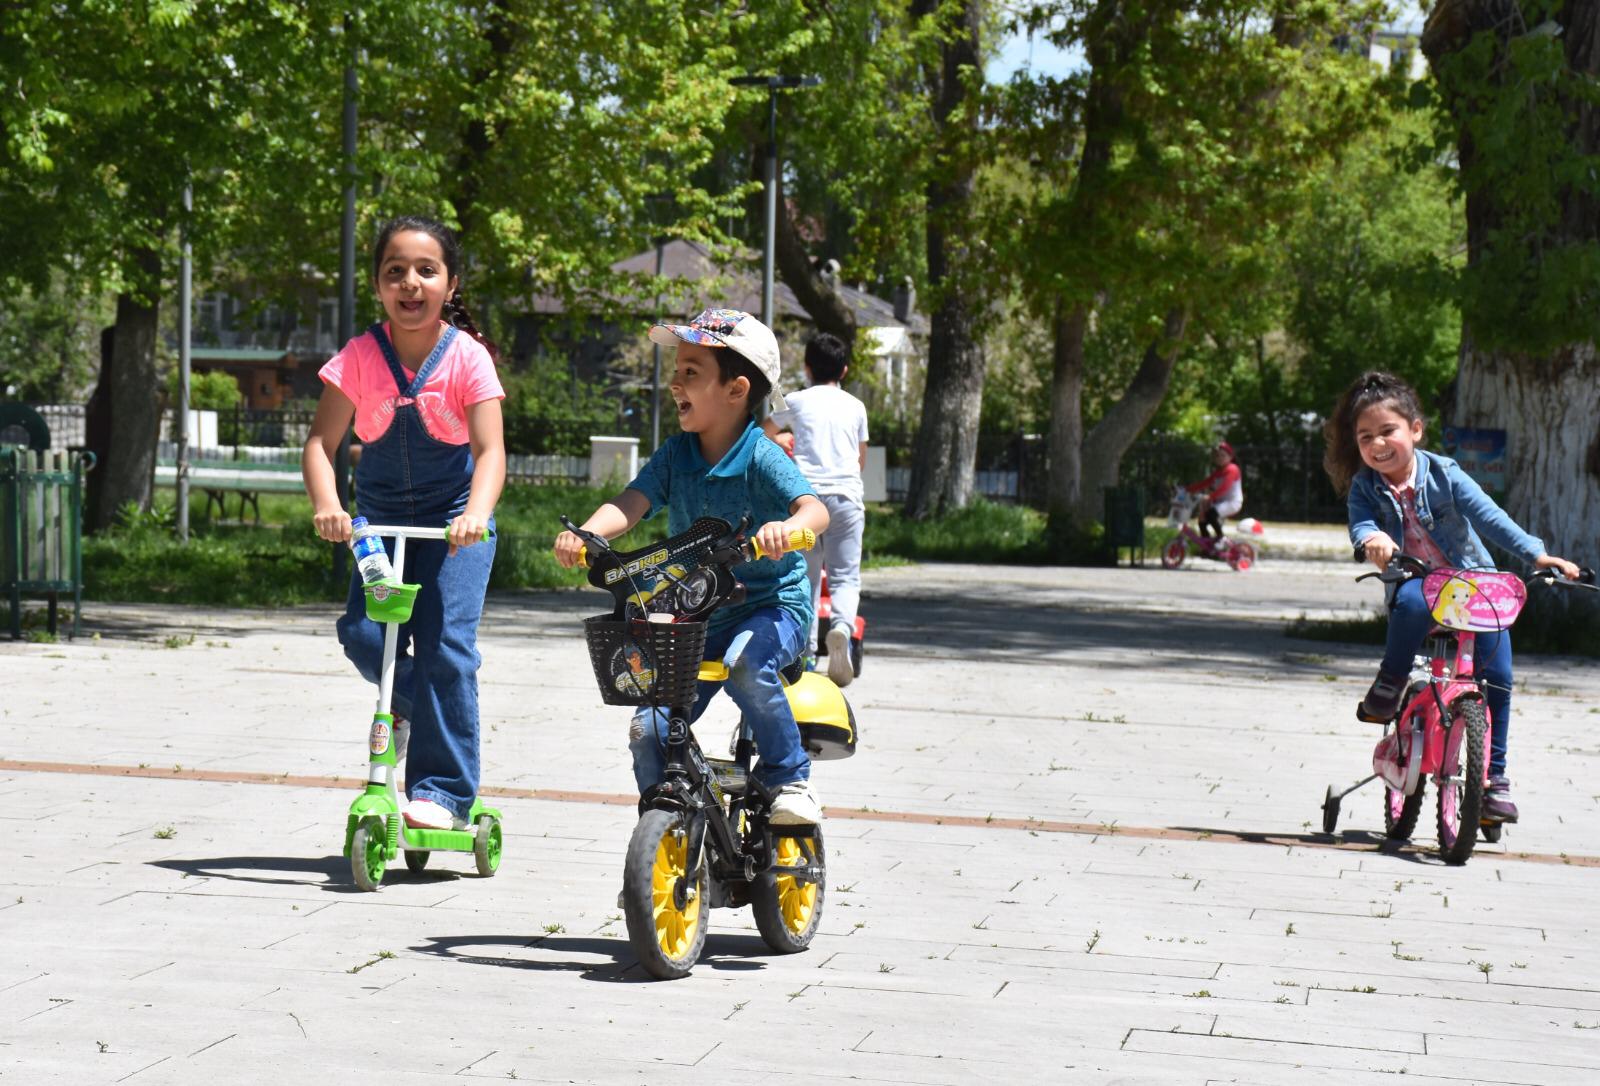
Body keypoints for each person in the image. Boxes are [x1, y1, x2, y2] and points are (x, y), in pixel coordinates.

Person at [553, 308, 830, 824]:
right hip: (699, 611)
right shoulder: (676, 454)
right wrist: (588, 534)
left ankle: (790, 777)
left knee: (746, 664)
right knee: (649, 728)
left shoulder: (761, 455)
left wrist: (786, 530)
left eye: (691, 371)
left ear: (736, 390)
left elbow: (816, 511)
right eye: (677, 369)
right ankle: (669, 823)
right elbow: (632, 501)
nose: (675, 382)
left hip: (770, 608)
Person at [302, 216, 506, 831]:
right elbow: (320, 443)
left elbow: (491, 452)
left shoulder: (467, 358)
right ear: (377, 285)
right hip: (380, 526)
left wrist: (475, 515)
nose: (410, 283)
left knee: (446, 646)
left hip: (454, 527)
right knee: (365, 636)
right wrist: (328, 505)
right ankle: (426, 704)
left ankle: (443, 792)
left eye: (426, 270)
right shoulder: (360, 357)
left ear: (450, 284)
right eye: (395, 271)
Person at [1323, 371, 1581, 824]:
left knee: (1498, 678)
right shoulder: (1365, 487)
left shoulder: (1444, 473)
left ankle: (1494, 781)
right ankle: (1390, 682)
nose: (1378, 444)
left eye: (1388, 431)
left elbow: (1490, 517)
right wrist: (1373, 539)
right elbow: (1361, 525)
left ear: (1415, 430)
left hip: (1473, 585)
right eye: (1365, 437)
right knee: (1411, 601)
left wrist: (1538, 555)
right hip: (1417, 584)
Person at [761, 332, 867, 687]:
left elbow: (761, 434)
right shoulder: (856, 406)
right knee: (845, 575)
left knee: (804, 577)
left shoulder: (794, 400)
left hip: (805, 501)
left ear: (807, 368)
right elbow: (860, 460)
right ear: (844, 370)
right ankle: (842, 628)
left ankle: (804, 655)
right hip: (846, 497)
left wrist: (780, 438)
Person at [1185, 441, 1242, 539]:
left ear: (1230, 457)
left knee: (1211, 515)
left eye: (1223, 455)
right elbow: (1205, 483)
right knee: (1202, 520)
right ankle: (1206, 544)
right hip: (1220, 502)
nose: (1220, 458)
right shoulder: (1218, 472)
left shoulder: (1232, 469)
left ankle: (1221, 539)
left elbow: (1224, 487)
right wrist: (1187, 489)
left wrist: (1210, 497)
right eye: (1217, 456)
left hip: (1232, 503)